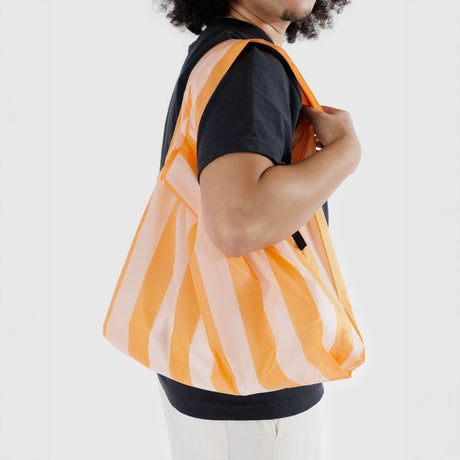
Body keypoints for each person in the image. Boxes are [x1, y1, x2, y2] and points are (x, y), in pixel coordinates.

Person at [155, 0, 361, 458]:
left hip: (214, 366)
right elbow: (237, 222)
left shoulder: (216, 55)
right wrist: (345, 154)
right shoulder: (248, 66)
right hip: (253, 381)